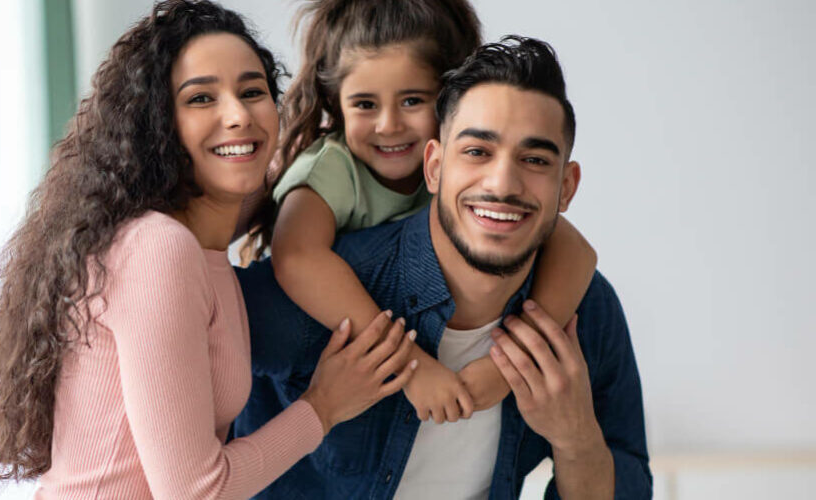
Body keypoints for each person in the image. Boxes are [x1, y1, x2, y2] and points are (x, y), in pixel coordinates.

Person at [0, 1, 418, 498]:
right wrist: (324, 406)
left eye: (252, 92)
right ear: (159, 123)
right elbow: (196, 492)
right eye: (202, 99)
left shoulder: (200, 233)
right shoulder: (159, 250)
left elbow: (268, 182)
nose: (238, 114)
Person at [235, 37, 651, 499]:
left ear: (567, 187)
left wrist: (577, 439)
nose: (503, 184)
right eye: (477, 152)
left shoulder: (587, 313)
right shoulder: (331, 292)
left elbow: (627, 479)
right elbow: (176, 341)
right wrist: (320, 408)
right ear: (434, 167)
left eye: (534, 160)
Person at [240, 0, 598, 424]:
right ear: (337, 105)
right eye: (365, 105)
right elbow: (297, 258)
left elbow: (577, 251)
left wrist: (507, 367)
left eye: (411, 100)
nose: (388, 125)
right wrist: (410, 366)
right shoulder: (331, 169)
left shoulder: (461, 173)